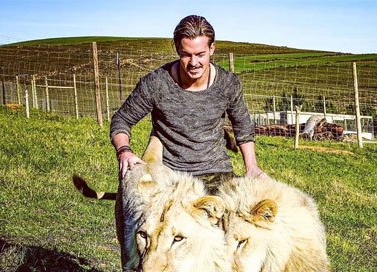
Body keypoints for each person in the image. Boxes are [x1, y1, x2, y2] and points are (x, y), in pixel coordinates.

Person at [110, 14, 267, 193]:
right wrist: (124, 151)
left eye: (200, 54)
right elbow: (121, 119)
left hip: (217, 173)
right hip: (171, 177)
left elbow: (243, 127)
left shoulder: (228, 84)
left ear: (212, 48)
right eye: (186, 55)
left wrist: (252, 168)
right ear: (177, 49)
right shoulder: (156, 83)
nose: (193, 63)